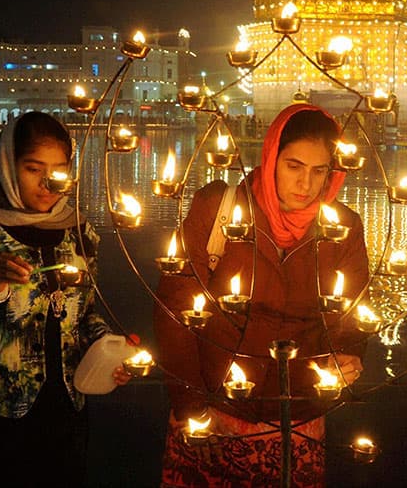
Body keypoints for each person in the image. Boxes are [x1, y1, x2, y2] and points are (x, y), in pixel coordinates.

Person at [154, 103, 370, 487]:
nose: (306, 184)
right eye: (294, 166)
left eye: (319, 171)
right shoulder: (219, 210)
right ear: (271, 158)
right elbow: (176, 308)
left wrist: (347, 357)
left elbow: (350, 317)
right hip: (213, 417)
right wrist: (190, 406)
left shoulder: (343, 229)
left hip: (297, 419)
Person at [0, 111, 132, 487]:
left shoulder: (78, 232)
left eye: (59, 169)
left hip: (67, 414)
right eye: (34, 169)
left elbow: (84, 315)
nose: (48, 183)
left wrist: (109, 347)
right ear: (7, 166)